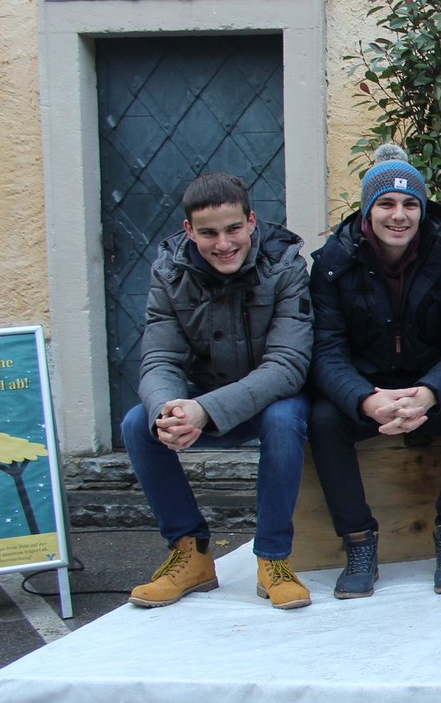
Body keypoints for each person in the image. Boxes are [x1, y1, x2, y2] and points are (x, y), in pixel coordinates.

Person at [122, 173, 313, 611]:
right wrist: (168, 410)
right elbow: (160, 358)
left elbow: (287, 366)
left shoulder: (286, 266)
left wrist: (204, 411)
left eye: (233, 229)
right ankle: (190, 552)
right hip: (203, 397)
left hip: (272, 398)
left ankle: (273, 559)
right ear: (189, 231)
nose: (223, 244)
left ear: (251, 221)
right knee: (138, 423)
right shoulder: (169, 273)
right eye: (208, 233)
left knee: (284, 419)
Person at [307, 145, 441, 597]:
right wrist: (365, 399)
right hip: (367, 389)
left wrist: (429, 393)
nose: (399, 215)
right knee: (323, 417)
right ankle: (358, 544)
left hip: (430, 387)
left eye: (410, 204)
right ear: (367, 210)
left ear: (423, 210)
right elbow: (325, 351)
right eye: (386, 203)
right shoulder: (332, 264)